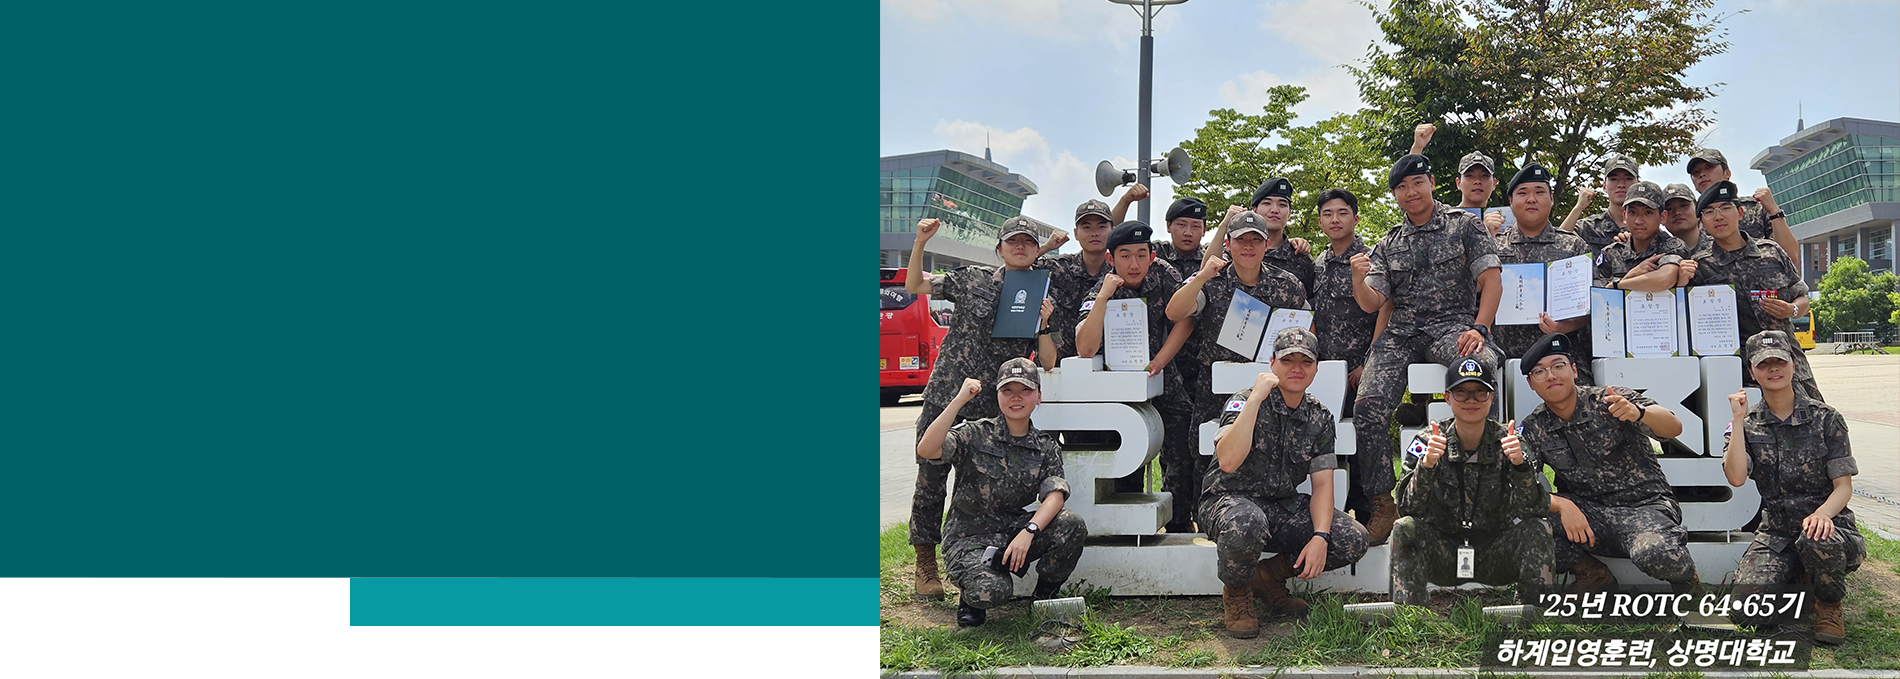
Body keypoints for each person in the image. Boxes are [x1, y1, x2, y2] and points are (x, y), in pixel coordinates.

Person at [1348, 154, 1504, 545]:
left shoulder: (1464, 225)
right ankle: (1383, 504)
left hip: (1453, 326)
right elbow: (1372, 302)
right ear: (1395, 195)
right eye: (1401, 187)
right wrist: (1358, 280)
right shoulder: (1389, 243)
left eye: (1417, 182)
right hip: (1402, 333)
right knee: (1367, 407)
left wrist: (1480, 328)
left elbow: (1492, 281)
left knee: (1481, 371)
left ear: (1432, 183)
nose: (1411, 192)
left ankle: (1482, 492)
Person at [901, 216, 1061, 599]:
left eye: (1028, 242)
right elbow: (915, 285)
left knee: (981, 486)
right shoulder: (972, 279)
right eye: (1012, 241)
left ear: (1037, 250)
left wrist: (1044, 324)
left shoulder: (1042, 293)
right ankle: (925, 563)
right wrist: (920, 242)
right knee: (930, 478)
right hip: (949, 394)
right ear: (999, 247)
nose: (1020, 247)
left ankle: (974, 559)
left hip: (995, 405)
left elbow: (1049, 360)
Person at [1202, 328, 1370, 637]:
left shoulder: (1319, 417)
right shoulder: (1244, 401)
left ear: (1316, 368)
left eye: (1305, 362)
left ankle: (1268, 577)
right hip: (1228, 501)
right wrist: (1255, 399)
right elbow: (1227, 461)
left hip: (1280, 506)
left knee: (1352, 537)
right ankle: (1237, 592)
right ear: (1272, 364)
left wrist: (1320, 536)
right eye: (1287, 360)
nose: (1296, 368)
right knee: (1247, 521)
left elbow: (1322, 485)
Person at [1517, 333, 1700, 593]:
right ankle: (1593, 575)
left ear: (1573, 370)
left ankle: (1688, 585)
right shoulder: (1535, 426)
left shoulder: (1609, 400)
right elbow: (1519, 485)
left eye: (1558, 366)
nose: (1551, 376)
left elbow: (1674, 427)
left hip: (1643, 508)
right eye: (1539, 371)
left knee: (1656, 553)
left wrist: (1640, 413)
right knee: (1529, 522)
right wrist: (1562, 505)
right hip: (1587, 516)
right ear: (1530, 383)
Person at [917, 359, 1088, 628]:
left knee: (1071, 524)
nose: (1016, 397)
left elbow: (1055, 494)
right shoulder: (975, 433)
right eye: (1008, 390)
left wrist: (1029, 531)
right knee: (992, 591)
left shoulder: (1045, 446)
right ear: (997, 395)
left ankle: (1043, 598)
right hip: (969, 537)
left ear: (1039, 397)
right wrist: (959, 401)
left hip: (1013, 531)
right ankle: (972, 595)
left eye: (1025, 390)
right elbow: (927, 449)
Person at [1723, 330, 1861, 645]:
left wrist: (1823, 514)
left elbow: (1843, 486)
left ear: (1793, 365)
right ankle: (1798, 574)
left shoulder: (1826, 418)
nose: (1773, 368)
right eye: (1763, 363)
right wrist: (1737, 419)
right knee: (1747, 613)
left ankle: (1828, 604)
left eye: (1780, 361)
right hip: (1778, 533)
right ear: (1752, 372)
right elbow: (1736, 477)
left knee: (1817, 538)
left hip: (1829, 528)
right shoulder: (1747, 424)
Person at [1389, 354, 1553, 605]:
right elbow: (1407, 508)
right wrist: (1428, 465)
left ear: (1491, 397)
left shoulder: (1510, 442)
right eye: (1461, 393)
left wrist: (1520, 466)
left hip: (1495, 552)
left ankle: (1533, 612)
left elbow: (1535, 509)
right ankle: (1410, 614)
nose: (1471, 400)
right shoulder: (1427, 441)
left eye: (1480, 392)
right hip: (1443, 552)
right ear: (1447, 398)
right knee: (1404, 528)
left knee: (1539, 528)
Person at [1075, 221, 1198, 530]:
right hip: (1120, 389)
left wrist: (1161, 359)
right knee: (1126, 458)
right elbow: (1085, 348)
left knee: (1182, 453)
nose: (1134, 264)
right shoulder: (1100, 290)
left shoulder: (1164, 274)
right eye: (1125, 255)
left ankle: (1179, 525)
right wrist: (1102, 299)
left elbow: (1186, 320)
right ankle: (1128, 529)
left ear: (1152, 256)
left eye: (1141, 255)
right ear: (1110, 258)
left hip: (1164, 377)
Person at [1166, 211, 1309, 425]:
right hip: (1216, 390)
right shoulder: (1212, 281)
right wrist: (1202, 276)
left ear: (1266, 245)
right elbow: (1174, 312)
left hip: (1271, 388)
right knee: (1209, 444)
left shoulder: (1287, 284)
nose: (1248, 246)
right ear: (1228, 244)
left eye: (1256, 240)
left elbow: (1307, 329)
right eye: (1240, 239)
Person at [1686, 182, 1823, 401]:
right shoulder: (1700, 267)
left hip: (1786, 363)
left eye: (1725, 208)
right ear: (1702, 222)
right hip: (1736, 372)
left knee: (1813, 417)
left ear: (1740, 213)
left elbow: (1802, 298)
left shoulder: (1771, 252)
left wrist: (1791, 309)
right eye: (1709, 212)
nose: (1718, 216)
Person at [1492, 163, 1592, 386]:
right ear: (1511, 201)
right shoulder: (1493, 246)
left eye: (1539, 192)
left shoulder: (1573, 246)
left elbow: (1588, 308)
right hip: (1503, 356)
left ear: (1551, 198)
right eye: (1523, 193)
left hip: (1560, 356)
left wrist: (1563, 327)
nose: (1531, 199)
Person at [1310, 188, 1382, 397]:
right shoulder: (1320, 261)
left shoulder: (1371, 260)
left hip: (1357, 372)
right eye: (1328, 214)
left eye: (1342, 213)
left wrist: (1367, 363)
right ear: (1320, 222)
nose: (1335, 219)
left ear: (1355, 219)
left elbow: (1386, 314)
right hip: (1323, 369)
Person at [1039, 200, 1118, 358]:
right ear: (1075, 233)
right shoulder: (1057, 267)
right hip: (1057, 366)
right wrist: (1046, 247)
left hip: (1105, 367)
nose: (1094, 233)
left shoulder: (1121, 271)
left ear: (1113, 231)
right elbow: (1016, 268)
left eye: (1101, 227)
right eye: (1086, 227)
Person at [1687, 148, 1799, 259]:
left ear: (1727, 173)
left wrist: (1774, 212)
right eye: (1696, 172)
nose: (1702, 174)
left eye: (1709, 167)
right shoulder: (1691, 221)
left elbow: (1789, 257)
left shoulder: (1755, 208)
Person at [1593, 180, 1692, 292]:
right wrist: (1631, 274)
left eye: (1648, 213)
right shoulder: (1610, 253)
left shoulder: (1671, 246)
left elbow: (1665, 279)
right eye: (1632, 212)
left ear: (1663, 217)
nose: (1638, 221)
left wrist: (1615, 286)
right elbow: (1599, 296)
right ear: (1624, 216)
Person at [1409, 123, 1507, 235]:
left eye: (1484, 176)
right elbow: (1413, 201)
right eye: (1470, 176)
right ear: (1458, 183)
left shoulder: (1505, 223)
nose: (1477, 181)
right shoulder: (1442, 218)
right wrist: (1417, 148)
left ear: (1494, 183)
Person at [1567, 153, 1642, 257]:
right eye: (1614, 179)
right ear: (1604, 186)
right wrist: (1578, 207)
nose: (1621, 184)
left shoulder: (1647, 227)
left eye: (1628, 178)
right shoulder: (1588, 227)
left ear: (1638, 184)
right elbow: (1557, 247)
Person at [1660, 182, 1706, 254]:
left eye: (1683, 206)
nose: (1677, 212)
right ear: (1662, 217)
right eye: (1669, 209)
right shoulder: (1657, 254)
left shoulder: (1719, 245)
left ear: (1697, 208)